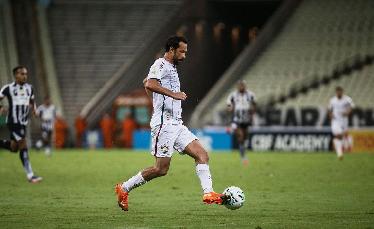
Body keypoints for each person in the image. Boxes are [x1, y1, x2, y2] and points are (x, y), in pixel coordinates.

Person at [115, 36, 228, 211]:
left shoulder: (172, 67)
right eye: (181, 51)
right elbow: (151, 83)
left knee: (202, 154)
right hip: (164, 125)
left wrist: (158, 99)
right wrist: (173, 95)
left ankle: (208, 193)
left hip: (177, 123)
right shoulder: (160, 64)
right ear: (171, 50)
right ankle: (124, 188)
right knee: (161, 169)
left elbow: (146, 83)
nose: (184, 55)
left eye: (185, 52)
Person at [0, 66, 42, 183]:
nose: (25, 76)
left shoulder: (30, 88)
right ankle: (30, 175)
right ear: (16, 75)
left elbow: (32, 100)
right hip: (13, 122)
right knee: (23, 144)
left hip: (23, 122)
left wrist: (34, 108)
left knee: (14, 148)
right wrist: (1, 107)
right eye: (22, 74)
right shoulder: (8, 88)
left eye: (26, 74)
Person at [227, 80, 256, 166]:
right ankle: (244, 158)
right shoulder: (233, 95)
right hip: (236, 120)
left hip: (247, 120)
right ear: (238, 87)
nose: (241, 87)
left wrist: (252, 112)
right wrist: (230, 108)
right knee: (240, 136)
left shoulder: (250, 95)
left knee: (245, 138)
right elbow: (228, 105)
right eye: (240, 86)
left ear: (245, 86)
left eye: (243, 85)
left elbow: (254, 105)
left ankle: (243, 150)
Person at [328, 86, 354, 160]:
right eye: (337, 91)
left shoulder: (347, 99)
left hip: (344, 121)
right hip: (335, 121)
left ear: (342, 92)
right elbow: (329, 109)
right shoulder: (332, 100)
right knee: (339, 135)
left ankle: (341, 149)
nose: (339, 93)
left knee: (342, 136)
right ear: (336, 92)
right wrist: (331, 115)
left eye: (340, 91)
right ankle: (340, 154)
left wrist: (347, 112)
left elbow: (352, 107)